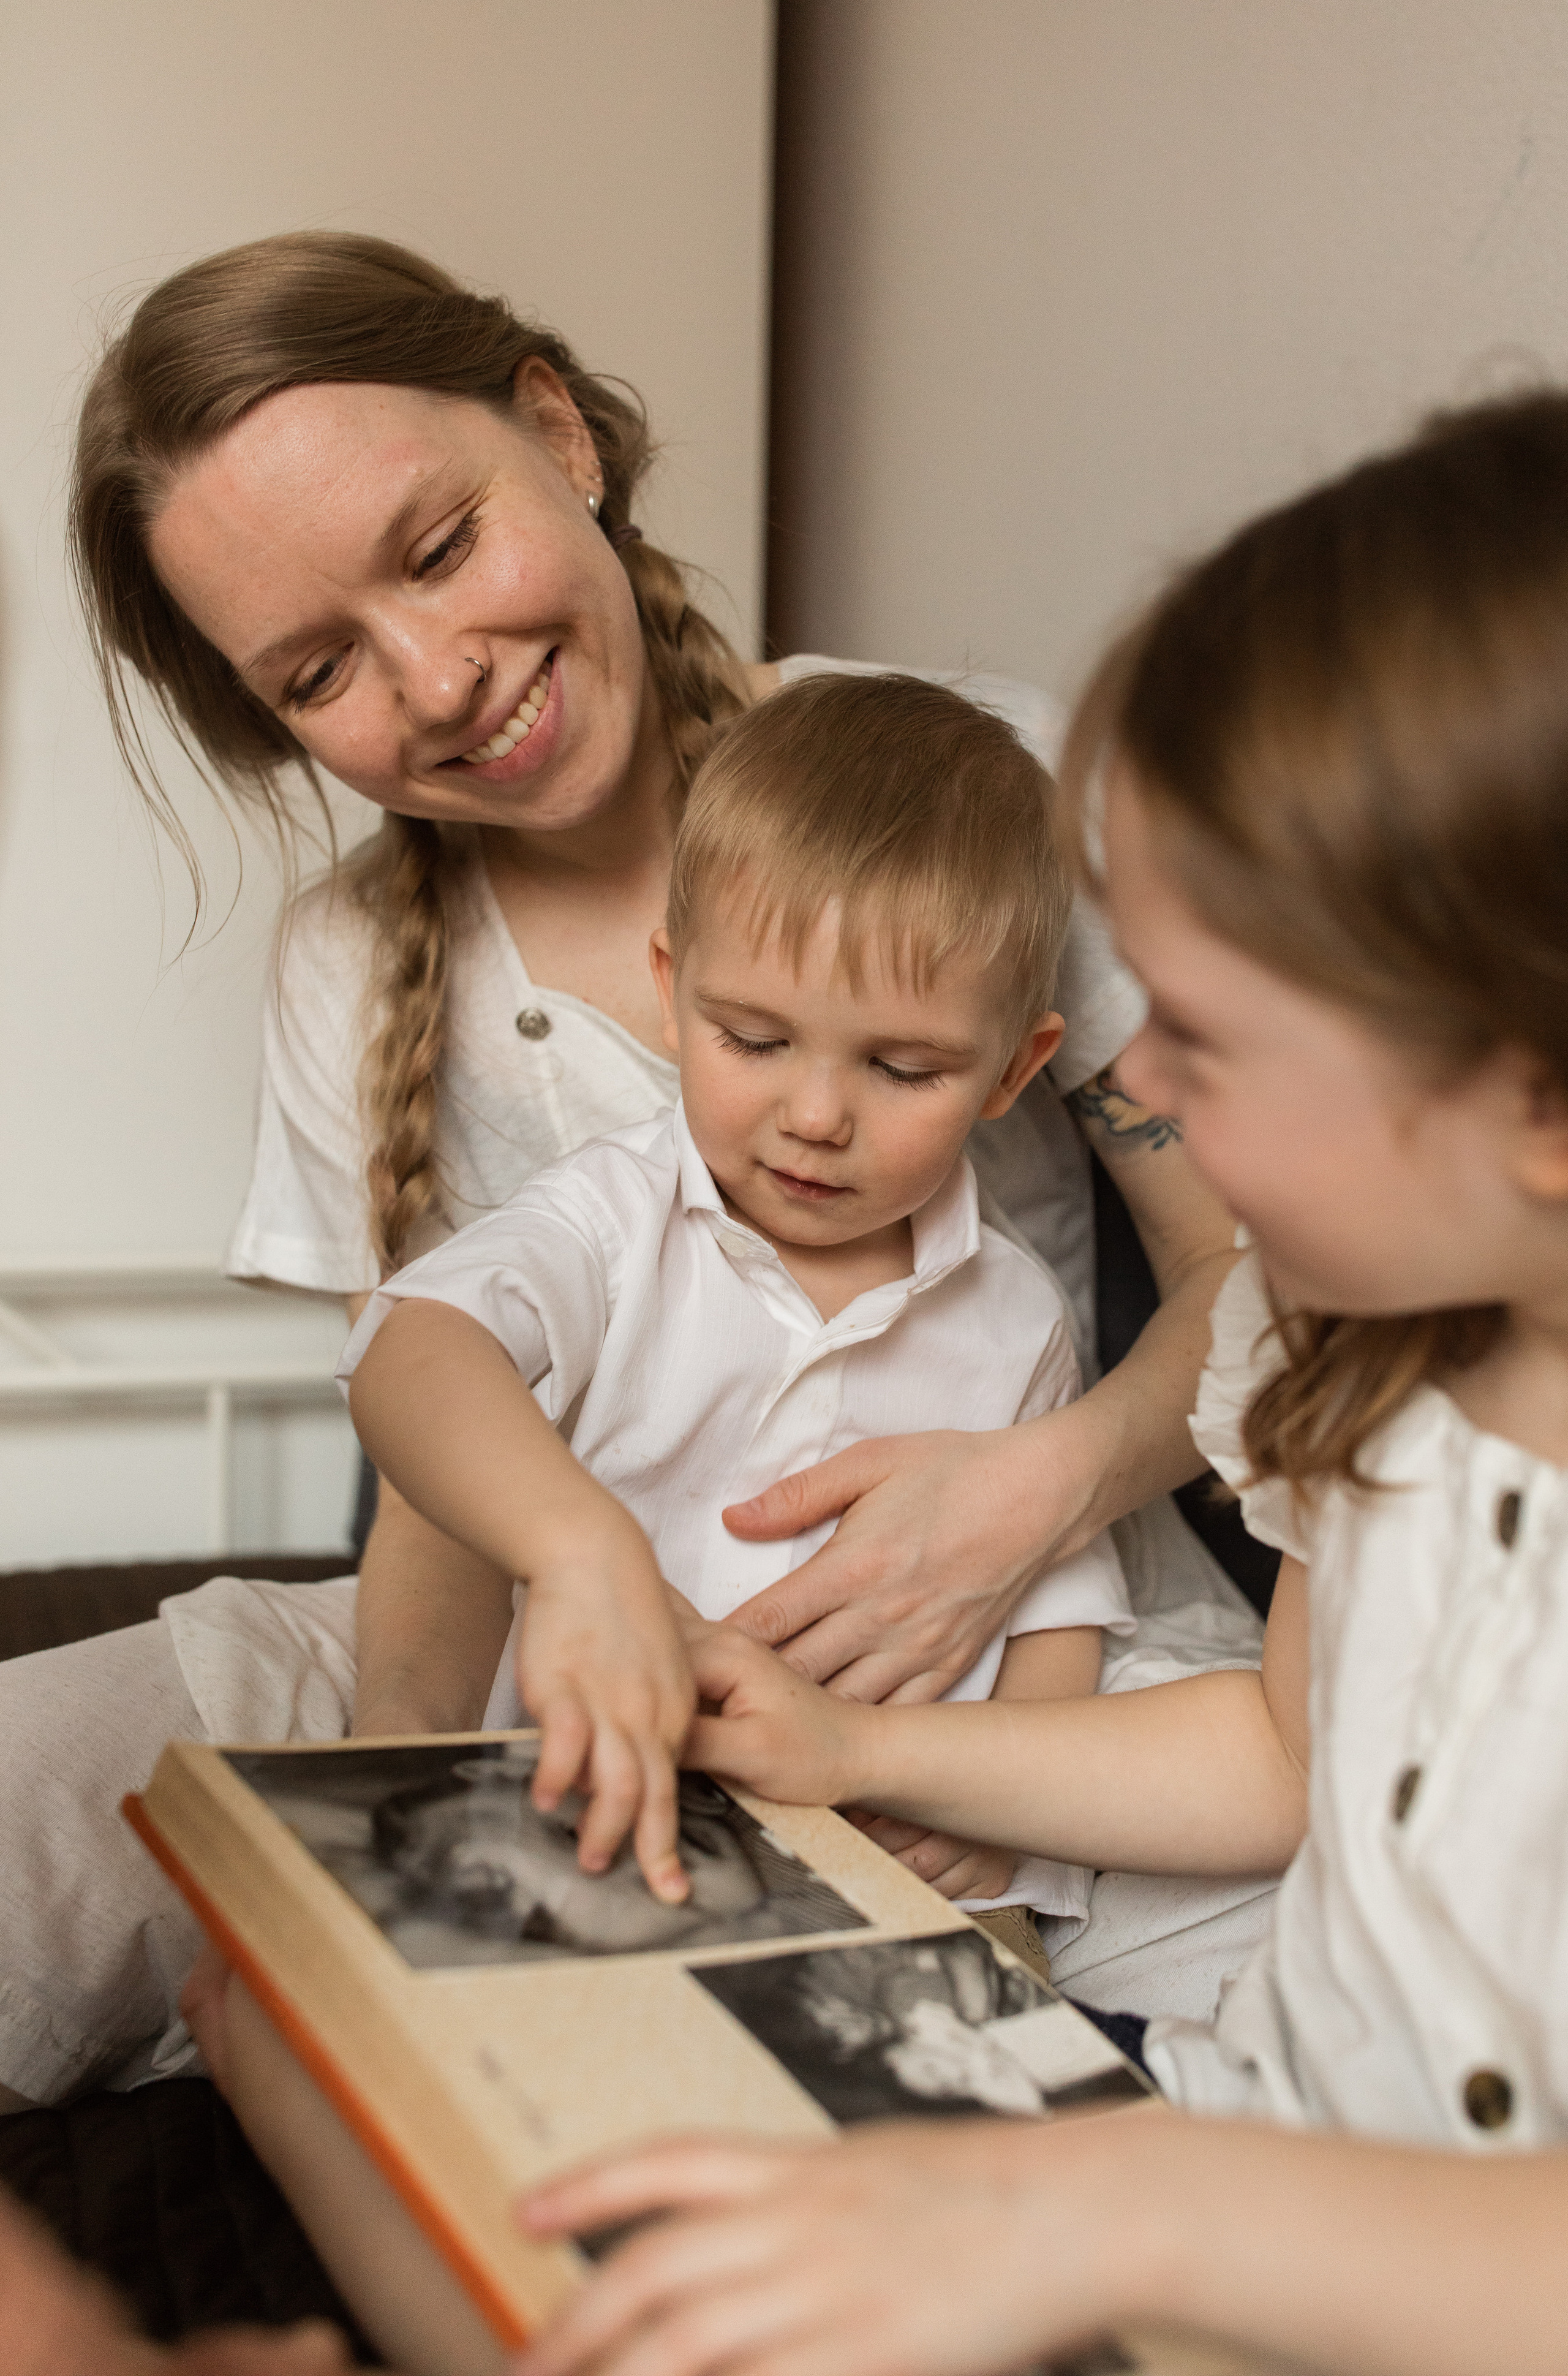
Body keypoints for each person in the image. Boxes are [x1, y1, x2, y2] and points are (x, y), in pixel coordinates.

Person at [0, 227, 1260, 2113]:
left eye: (436, 550)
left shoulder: (971, 783)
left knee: (1357, 2017)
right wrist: (395, 1817)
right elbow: (428, 1463)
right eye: (323, 668)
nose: (436, 679)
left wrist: (1029, 1496)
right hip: (543, 1646)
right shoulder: (352, 968)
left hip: (1026, 1642)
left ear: (559, 431)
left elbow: (1267, 1276)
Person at [507, 392, 1568, 2376]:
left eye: (1220, 1037)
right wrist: (859, 1749)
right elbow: (1283, 1755)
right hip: (1225, 2162)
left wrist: (1096, 2206)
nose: (1138, 1095)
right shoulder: (1355, 1357)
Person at [341, 669, 1136, 1951]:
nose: (814, 1116)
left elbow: (1056, 1609)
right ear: (671, 988)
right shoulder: (607, 1219)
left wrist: (993, 1809)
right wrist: (578, 1549)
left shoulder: (1017, 1315)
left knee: (1001, 2015)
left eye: (899, 1066)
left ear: (1013, 1069)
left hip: (894, 1844)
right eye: (752, 1040)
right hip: (604, 1807)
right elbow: (408, 1347)